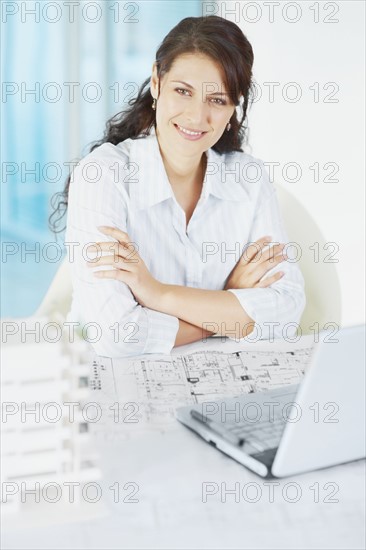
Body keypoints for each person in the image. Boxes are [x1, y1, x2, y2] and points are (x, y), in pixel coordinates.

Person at [49, 15, 306, 358]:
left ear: (235, 105)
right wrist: (226, 306)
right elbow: (116, 335)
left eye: (217, 100)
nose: (197, 117)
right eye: (183, 91)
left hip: (224, 389)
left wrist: (158, 294)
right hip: (115, 388)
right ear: (156, 82)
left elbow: (285, 311)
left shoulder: (249, 178)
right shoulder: (104, 174)